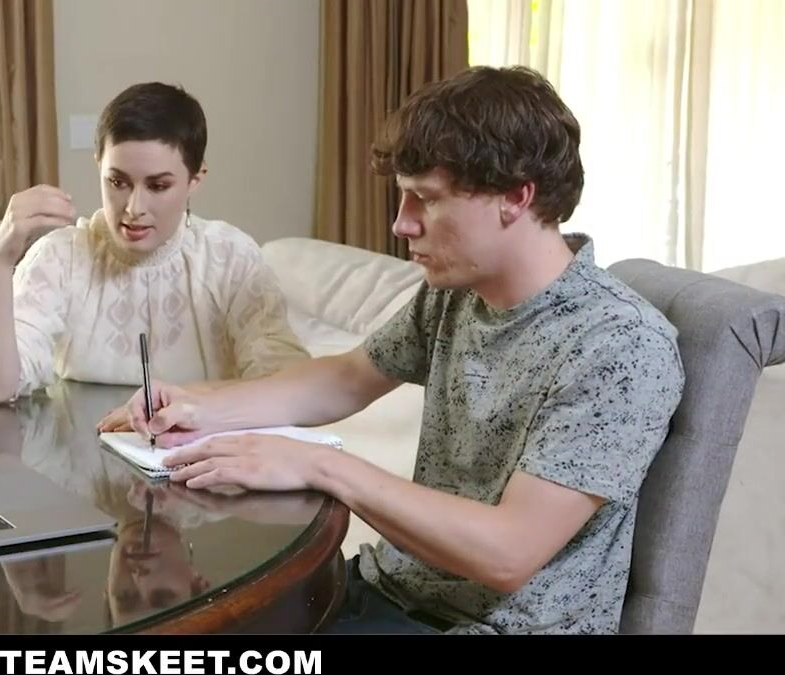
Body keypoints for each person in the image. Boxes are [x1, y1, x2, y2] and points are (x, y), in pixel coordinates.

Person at [124, 66, 686, 634]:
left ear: (516, 197)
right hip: (390, 591)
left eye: (426, 199)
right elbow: (348, 377)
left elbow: (509, 552)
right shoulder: (457, 293)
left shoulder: (620, 345)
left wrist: (322, 465)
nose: (400, 224)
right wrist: (198, 407)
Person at [0, 82, 309, 414]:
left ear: (194, 180)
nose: (134, 208)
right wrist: (1, 260)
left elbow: (288, 386)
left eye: (158, 186)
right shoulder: (61, 257)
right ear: (98, 164)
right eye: (118, 182)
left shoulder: (231, 259)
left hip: (204, 447)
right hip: (79, 447)